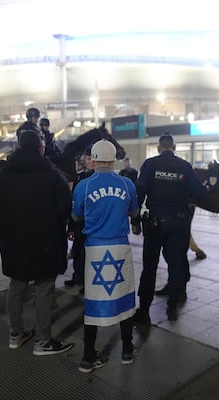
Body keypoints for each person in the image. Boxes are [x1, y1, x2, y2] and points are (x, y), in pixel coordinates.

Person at [0, 130, 74, 355]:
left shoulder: (5, 173)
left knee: (16, 285)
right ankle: (43, 342)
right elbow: (65, 209)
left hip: (13, 240)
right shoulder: (51, 174)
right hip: (45, 240)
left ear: (20, 146)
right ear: (41, 148)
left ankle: (15, 334)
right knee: (44, 288)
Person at [71, 139, 139, 373]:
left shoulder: (83, 186)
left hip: (95, 249)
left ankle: (88, 357)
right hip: (120, 247)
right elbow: (134, 212)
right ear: (113, 159)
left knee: (93, 302)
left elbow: (77, 216)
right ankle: (127, 351)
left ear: (94, 159)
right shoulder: (127, 183)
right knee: (125, 298)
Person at [134, 133, 207, 323]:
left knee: (149, 267)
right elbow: (200, 193)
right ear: (174, 148)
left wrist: (134, 220)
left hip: (155, 223)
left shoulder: (149, 165)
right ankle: (172, 307)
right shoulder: (184, 166)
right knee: (176, 266)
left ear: (159, 148)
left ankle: (144, 312)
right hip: (179, 223)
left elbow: (139, 191)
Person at [64, 146, 94, 289]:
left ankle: (87, 282)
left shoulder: (97, 178)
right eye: (88, 158)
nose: (91, 161)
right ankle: (78, 277)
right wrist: (71, 227)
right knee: (77, 251)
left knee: (88, 255)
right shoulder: (79, 177)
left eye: (93, 158)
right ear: (84, 160)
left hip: (92, 223)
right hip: (79, 222)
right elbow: (73, 202)